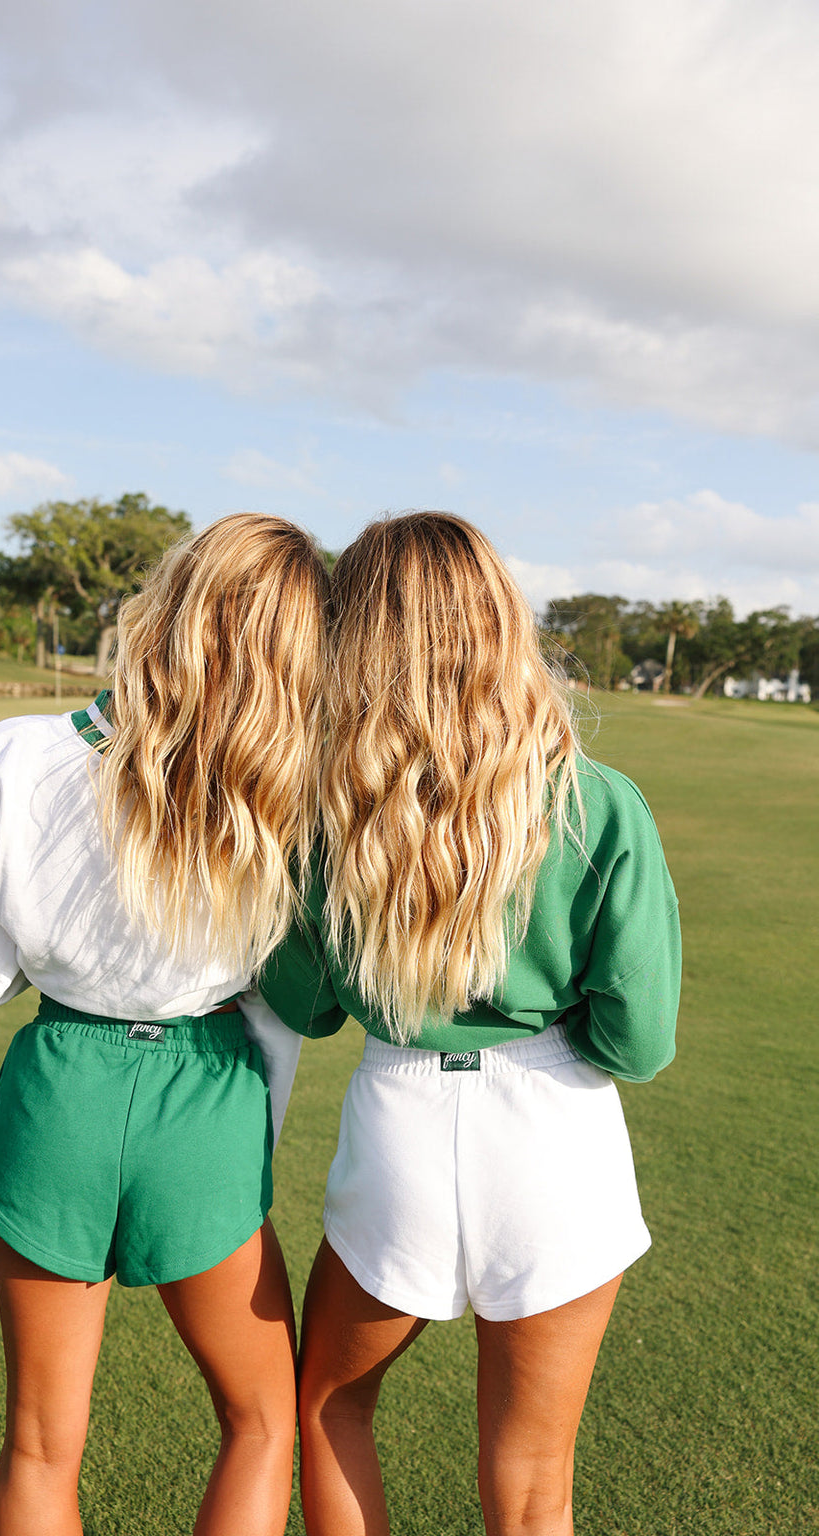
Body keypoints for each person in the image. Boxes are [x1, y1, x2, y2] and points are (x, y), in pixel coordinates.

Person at [256, 512, 681, 1536]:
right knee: (534, 1479)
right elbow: (640, 1042)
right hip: (553, 1134)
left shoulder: (325, 808)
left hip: (398, 1124)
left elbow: (305, 1007)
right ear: (502, 620)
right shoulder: (598, 803)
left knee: (325, 1406)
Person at [0, 514, 329, 1536]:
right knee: (263, 1422)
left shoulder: (17, 753)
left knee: (42, 1443)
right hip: (206, 1091)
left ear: (172, 600)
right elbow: (307, 994)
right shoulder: (295, 787)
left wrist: (23, 970)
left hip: (61, 1082)